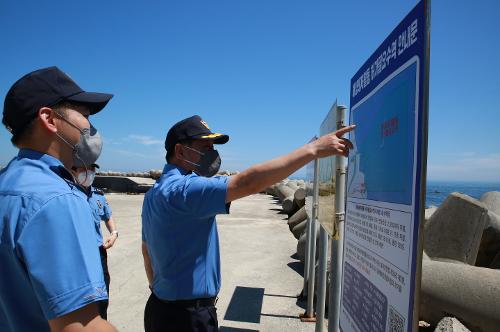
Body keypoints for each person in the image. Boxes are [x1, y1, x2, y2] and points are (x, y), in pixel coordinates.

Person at [141, 115, 355, 332]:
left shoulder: (153, 194)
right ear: (180, 151)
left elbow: (146, 250)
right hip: (188, 319)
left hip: (158, 308)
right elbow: (249, 181)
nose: (212, 153)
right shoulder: (187, 190)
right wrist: (313, 150)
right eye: (205, 147)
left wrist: (161, 292)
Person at [0, 66, 117, 332]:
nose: (91, 126)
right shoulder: (57, 198)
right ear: (49, 119)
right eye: (85, 114)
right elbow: (82, 327)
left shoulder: (8, 184)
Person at [71, 163, 119, 320]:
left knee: (102, 295)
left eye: (92, 169)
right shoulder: (67, 195)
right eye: (84, 169)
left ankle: (101, 322)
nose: (89, 172)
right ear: (74, 171)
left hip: (99, 252)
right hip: (76, 253)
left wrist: (114, 233)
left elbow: (108, 215)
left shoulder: (98, 195)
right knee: (81, 298)